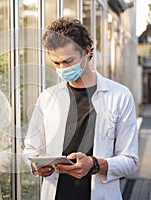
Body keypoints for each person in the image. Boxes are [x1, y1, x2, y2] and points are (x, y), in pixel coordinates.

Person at [23, 17, 139, 200]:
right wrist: (37, 165)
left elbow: (130, 161)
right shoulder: (48, 98)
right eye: (56, 63)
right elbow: (30, 149)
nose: (62, 69)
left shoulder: (120, 96)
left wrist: (94, 164)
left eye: (68, 61)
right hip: (56, 194)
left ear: (87, 51)